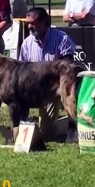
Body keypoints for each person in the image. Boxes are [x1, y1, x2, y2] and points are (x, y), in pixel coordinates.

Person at [19, 7, 77, 141]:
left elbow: (68, 66)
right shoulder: (26, 44)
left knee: (47, 135)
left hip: (55, 87)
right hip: (34, 88)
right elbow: (21, 70)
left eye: (33, 23)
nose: (29, 26)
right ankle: (22, 127)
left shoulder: (61, 38)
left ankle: (70, 125)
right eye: (28, 23)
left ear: (44, 22)